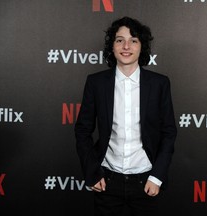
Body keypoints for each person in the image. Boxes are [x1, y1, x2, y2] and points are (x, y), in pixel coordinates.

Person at [74, 16, 177, 216]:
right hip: (107, 180)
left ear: (142, 46)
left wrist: (157, 176)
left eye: (134, 40)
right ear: (112, 46)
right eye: (120, 40)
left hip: (146, 181)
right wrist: (92, 172)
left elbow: (169, 132)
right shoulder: (96, 83)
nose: (126, 46)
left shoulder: (159, 84)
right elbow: (82, 130)